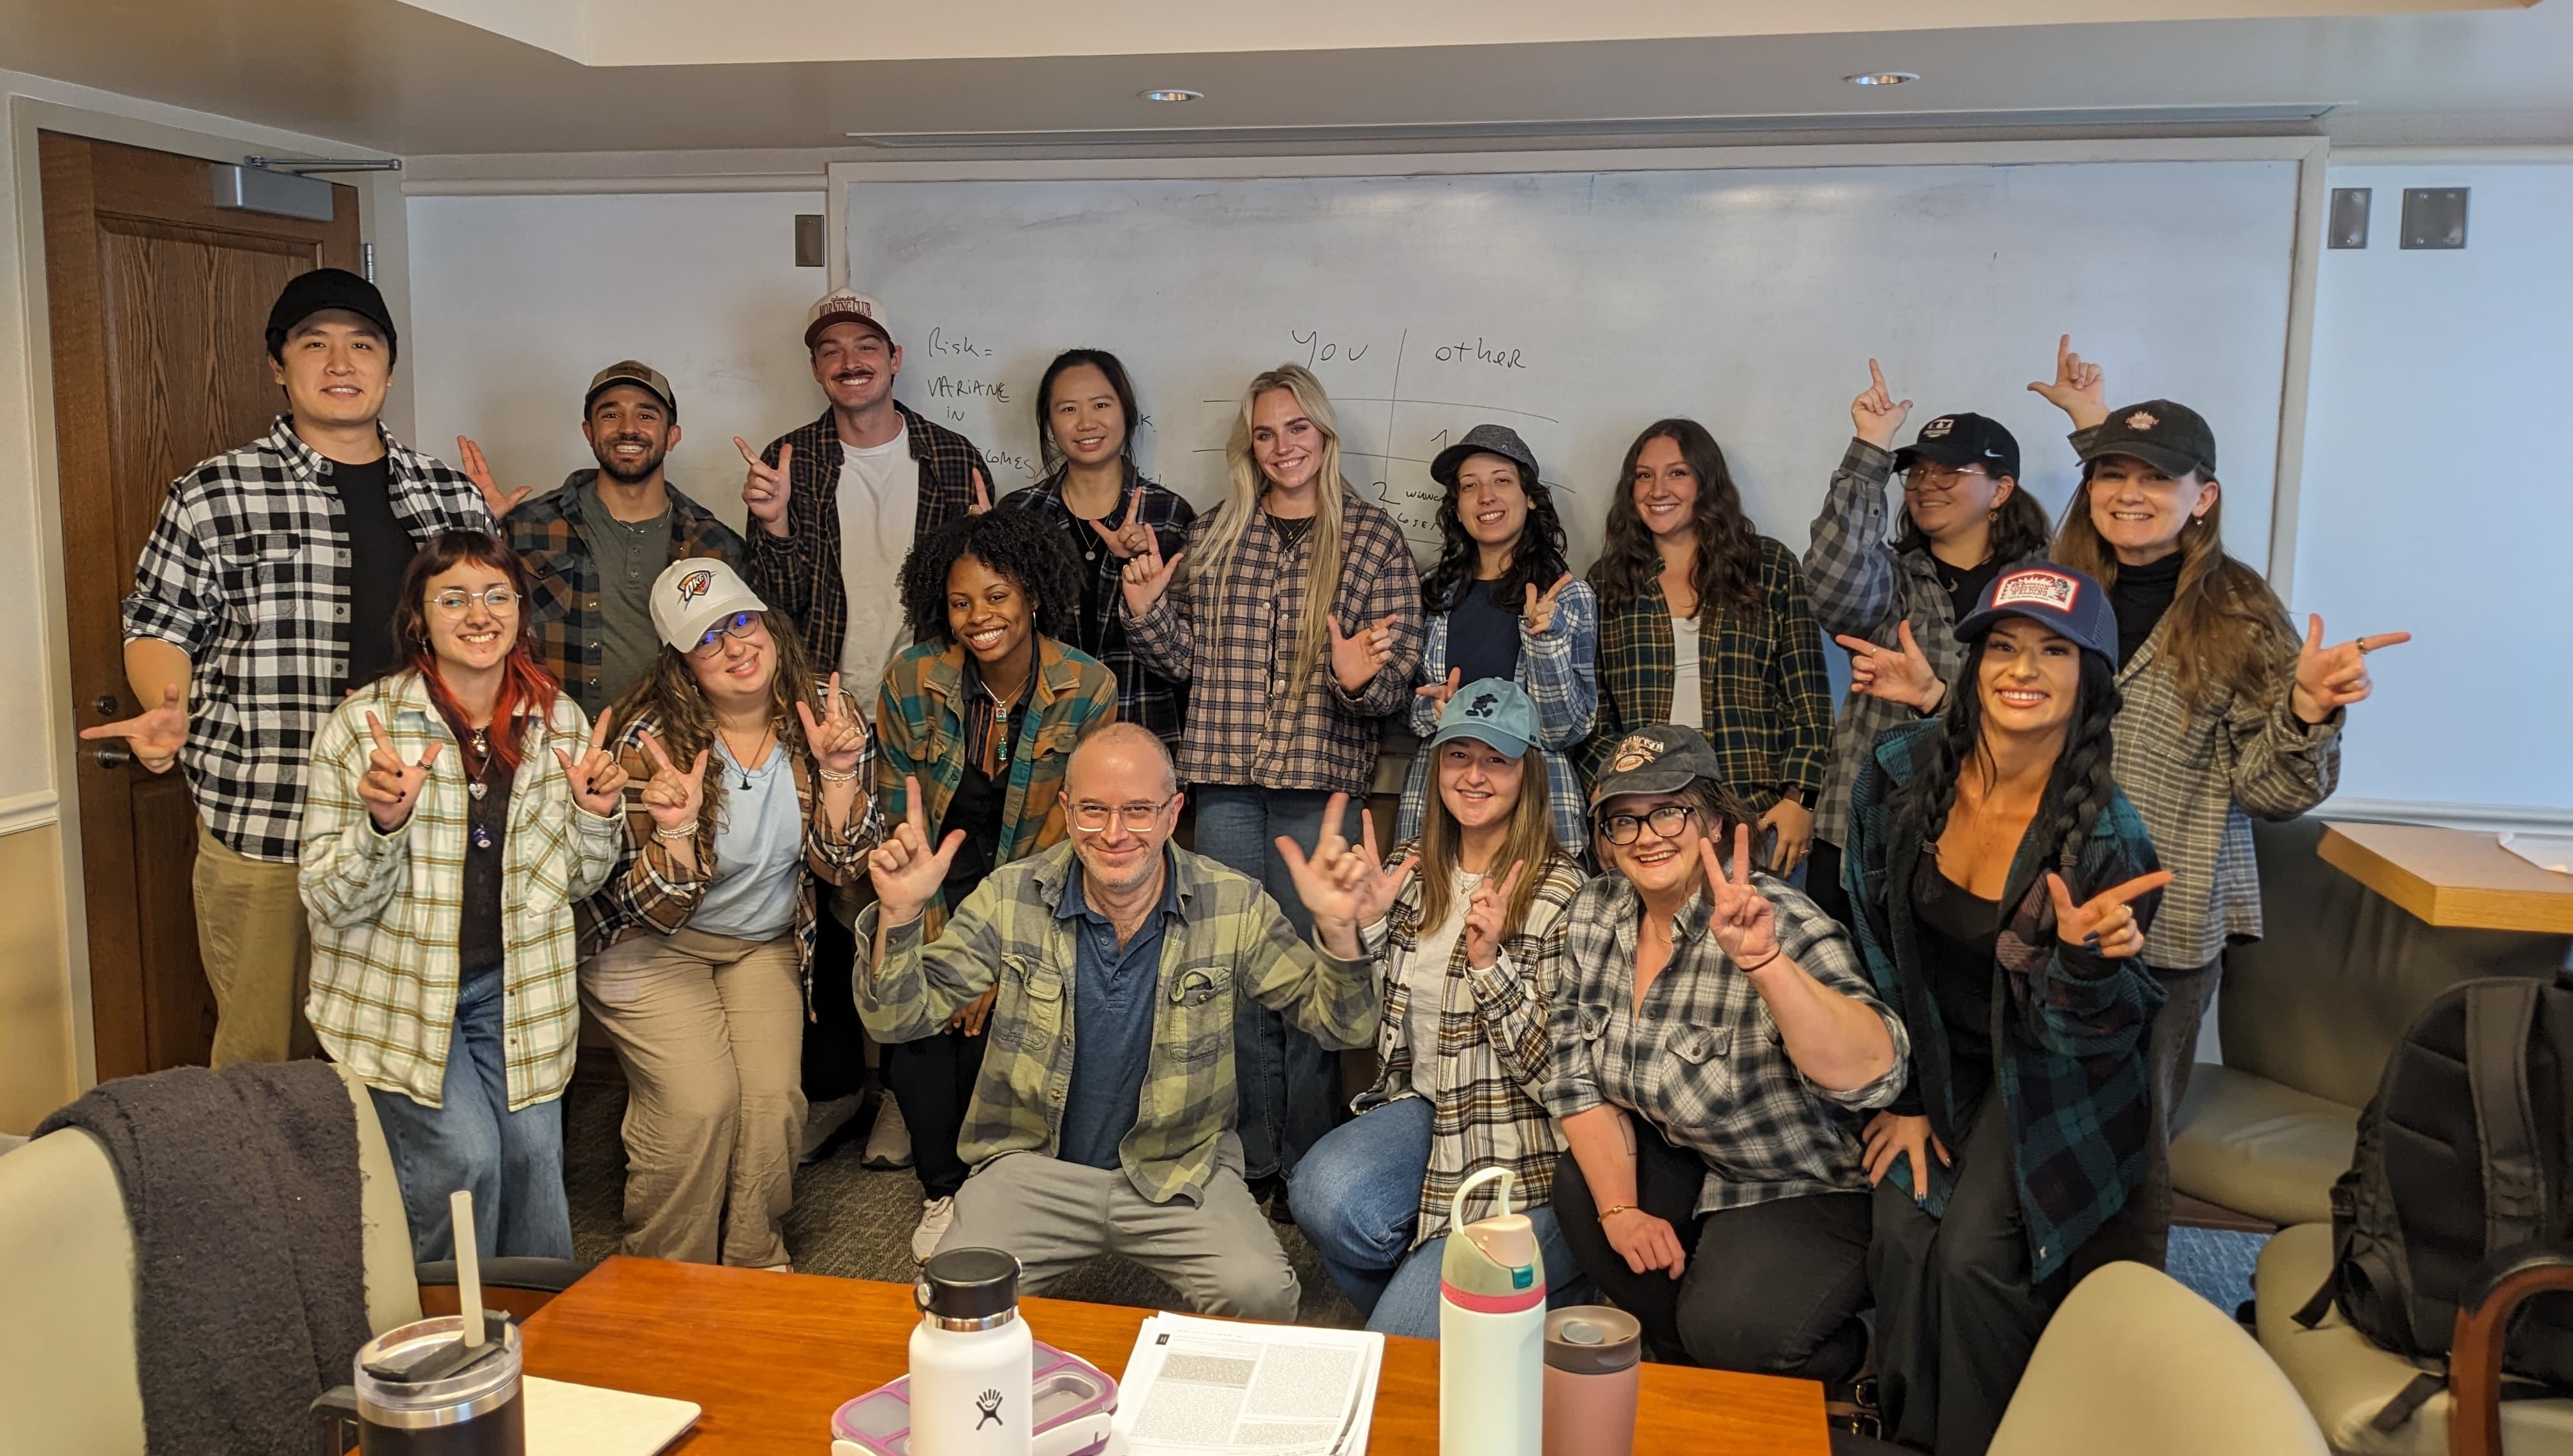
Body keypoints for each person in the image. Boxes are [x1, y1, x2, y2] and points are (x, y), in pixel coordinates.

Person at [1858, 336, 2409, 1254]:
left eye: (2156, 479)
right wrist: (1932, 697)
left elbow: (2272, 790)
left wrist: (2308, 711)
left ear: (2205, 497)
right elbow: (2006, 706)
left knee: (2121, 1146)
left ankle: (2123, 1319)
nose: (2128, 494)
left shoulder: (2239, 611)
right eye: (2111, 475)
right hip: (2025, 901)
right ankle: (1992, 1310)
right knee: (2020, 1128)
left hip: (2159, 919)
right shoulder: (2060, 573)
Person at [87, 267, 493, 1067]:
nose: (340, 363)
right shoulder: (212, 492)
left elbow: (485, 641)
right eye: (316, 345)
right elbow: (159, 624)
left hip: (420, 827)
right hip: (267, 821)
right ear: (280, 364)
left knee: (408, 1056)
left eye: (362, 345)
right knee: (263, 1061)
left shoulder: (448, 497)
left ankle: (388, 1197)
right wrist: (164, 703)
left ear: (388, 363)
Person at [853, 724, 1381, 1320]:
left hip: (1179, 1169)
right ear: (1066, 808)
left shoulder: (1235, 903)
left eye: (1137, 811)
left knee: (1262, 1294)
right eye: (1093, 810)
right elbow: (896, 1019)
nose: (1112, 833)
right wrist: (898, 919)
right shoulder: (1010, 896)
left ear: (1173, 812)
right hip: (1032, 1169)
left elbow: (1345, 1029)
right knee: (953, 1311)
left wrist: (1340, 936)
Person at [1840, 563, 2174, 1455]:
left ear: (2089, 677)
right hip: (1940, 1059)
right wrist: (1903, 1092)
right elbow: (1877, 943)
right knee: (1903, 1240)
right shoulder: (1902, 776)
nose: (2023, 668)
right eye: (2004, 646)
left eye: (2053, 650)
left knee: (1973, 1260)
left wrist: (2086, 963)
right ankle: (1909, 1432)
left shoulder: (2109, 837)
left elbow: (2089, 1039)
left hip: (2052, 1079)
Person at [1121, 363, 1423, 1193]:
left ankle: (1313, 1162)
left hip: (1316, 791)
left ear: (1323, 435)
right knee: (1236, 980)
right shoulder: (1217, 533)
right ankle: (1254, 1158)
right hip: (1223, 787)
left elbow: (1394, 688)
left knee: (1312, 981)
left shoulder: (1371, 539)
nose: (1283, 446)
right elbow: (1185, 664)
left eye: (1298, 428)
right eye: (1266, 432)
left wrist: (1359, 675)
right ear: (1248, 445)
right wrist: (1148, 608)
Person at [1540, 724, 1906, 1383]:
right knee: (1583, 1192)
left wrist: (1766, 965)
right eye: (1624, 819)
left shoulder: (1776, 918)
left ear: (1712, 819)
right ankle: (1694, 1362)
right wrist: (1621, 1209)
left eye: (1669, 811)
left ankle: (1872, 1354)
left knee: (1736, 1331)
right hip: (1693, 1155)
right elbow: (1573, 1076)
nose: (1647, 834)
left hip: (1799, 1178)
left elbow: (1877, 1073)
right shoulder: (1595, 913)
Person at [299, 530, 625, 1261]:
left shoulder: (559, 722)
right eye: (453, 598)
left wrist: (598, 815)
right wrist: (385, 824)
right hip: (403, 997)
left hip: (515, 991)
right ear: (420, 617)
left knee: (536, 1166)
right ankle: (446, 1345)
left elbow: (579, 878)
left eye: (496, 595)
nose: (478, 614)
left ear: (520, 614)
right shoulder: (365, 726)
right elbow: (326, 896)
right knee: (467, 1160)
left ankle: (543, 1345)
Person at [735, 288, 997, 1167]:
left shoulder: (950, 456)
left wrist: (989, 541)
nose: (849, 360)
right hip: (827, 717)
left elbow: (981, 587)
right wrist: (768, 526)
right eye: (831, 349)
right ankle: (842, 1087)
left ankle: (904, 1090)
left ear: (894, 359)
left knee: (918, 898)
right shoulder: (790, 459)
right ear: (816, 367)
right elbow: (766, 608)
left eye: (865, 345)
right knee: (830, 900)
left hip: (930, 713)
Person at [574, 558, 881, 1270]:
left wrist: (838, 776)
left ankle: (753, 1262)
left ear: (769, 624)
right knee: (698, 1103)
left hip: (760, 942)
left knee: (772, 1103)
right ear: (682, 663)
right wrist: (676, 829)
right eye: (708, 638)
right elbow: (650, 903)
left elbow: (842, 869)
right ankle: (666, 1273)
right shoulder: (649, 742)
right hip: (647, 943)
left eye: (743, 621)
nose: (736, 645)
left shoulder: (828, 717)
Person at [1286, 681, 1591, 1337]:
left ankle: (1524, 1299)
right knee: (1320, 1192)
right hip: (1427, 1107)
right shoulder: (1406, 867)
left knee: (1394, 1350)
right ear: (1437, 764)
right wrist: (1346, 929)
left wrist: (1491, 964)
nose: (1474, 774)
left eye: (1496, 758)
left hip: (1528, 1145)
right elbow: (1353, 1024)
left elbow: (1561, 1077)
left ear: (1527, 773)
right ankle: (1484, 1316)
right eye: (1459, 755)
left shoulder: (1562, 890)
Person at [876, 509, 1119, 1259]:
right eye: (961, 602)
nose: (979, 617)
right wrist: (943, 939)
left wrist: (994, 952)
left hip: (1036, 895)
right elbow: (899, 813)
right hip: (933, 888)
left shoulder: (1087, 686)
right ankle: (944, 1188)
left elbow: (1065, 839)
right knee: (914, 999)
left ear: (1034, 595)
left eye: (997, 595)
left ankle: (1002, 1185)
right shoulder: (914, 677)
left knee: (1010, 1013)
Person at [1801, 360, 2050, 926]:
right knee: (1842, 1006)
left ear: (2001, 490)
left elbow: (2055, 718)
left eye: (1949, 471)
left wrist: (1938, 695)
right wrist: (1871, 448)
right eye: (1914, 474)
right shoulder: (1888, 580)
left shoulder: (2041, 592)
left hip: (1985, 844)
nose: (1925, 485)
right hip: (1859, 839)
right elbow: (1832, 586)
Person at [1583, 419, 1830, 880]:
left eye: (1677, 473)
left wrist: (1800, 798)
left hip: (1755, 806)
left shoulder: (1767, 566)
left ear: (1706, 481)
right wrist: (1608, 791)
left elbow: (1807, 699)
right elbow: (1594, 714)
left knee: (1751, 945)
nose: (1658, 489)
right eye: (1643, 475)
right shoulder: (1607, 583)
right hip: (1648, 813)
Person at [465, 360, 751, 720]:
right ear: (589, 431)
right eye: (610, 416)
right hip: (550, 749)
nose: (628, 429)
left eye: (646, 416)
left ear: (672, 436)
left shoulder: (715, 544)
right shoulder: (527, 527)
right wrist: (476, 530)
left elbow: (755, 651)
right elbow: (467, 621)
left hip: (671, 754)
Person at [1399, 424, 1597, 857]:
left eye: (1501, 481)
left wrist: (1545, 643)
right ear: (1458, 507)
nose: (1485, 496)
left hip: (1536, 812)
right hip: (1442, 809)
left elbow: (1564, 729)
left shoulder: (1567, 596)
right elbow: (1410, 705)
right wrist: (1436, 713)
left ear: (1530, 497)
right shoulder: (1432, 592)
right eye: (1470, 487)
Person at [1002, 348, 1197, 752]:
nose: (1086, 422)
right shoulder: (1020, 516)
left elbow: (1186, 664)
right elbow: (1001, 652)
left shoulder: (1169, 516)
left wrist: (1142, 580)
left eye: (1101, 405)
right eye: (1068, 408)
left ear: (1126, 412)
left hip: (1145, 743)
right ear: (1049, 424)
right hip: (1038, 748)